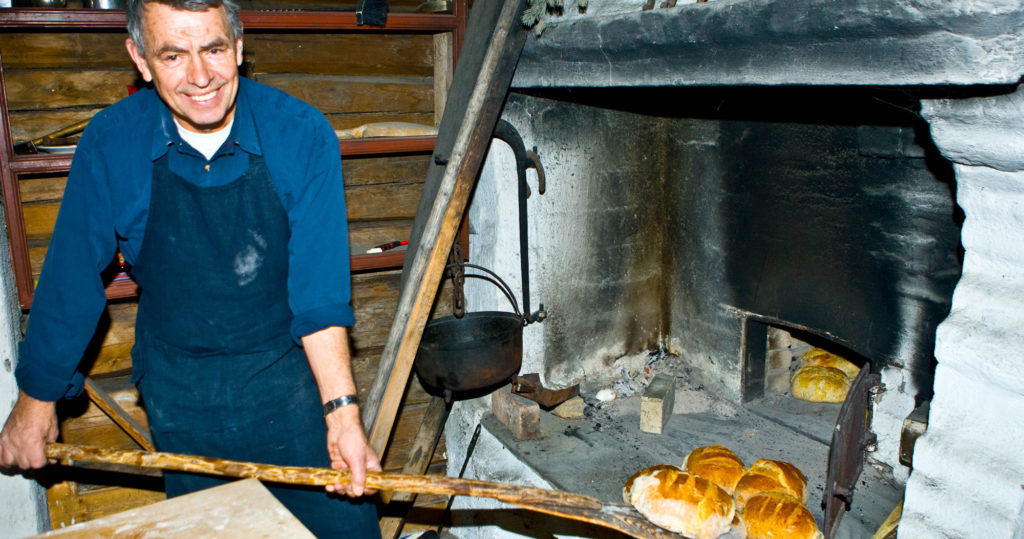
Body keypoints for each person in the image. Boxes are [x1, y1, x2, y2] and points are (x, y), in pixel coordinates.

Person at [0, 0, 382, 536]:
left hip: (288, 387)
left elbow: (318, 295)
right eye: (173, 55)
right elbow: (71, 278)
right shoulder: (112, 142)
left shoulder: (300, 133)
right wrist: (36, 399)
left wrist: (342, 416)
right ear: (140, 58)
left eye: (214, 49)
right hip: (180, 394)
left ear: (240, 46)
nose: (200, 77)